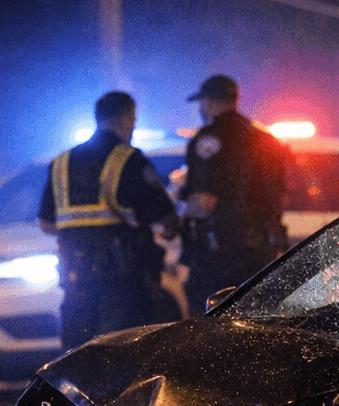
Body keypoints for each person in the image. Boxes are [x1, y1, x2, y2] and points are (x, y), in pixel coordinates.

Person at [39, 91, 180, 349]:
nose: (133, 127)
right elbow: (167, 219)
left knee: (77, 357)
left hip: (75, 279)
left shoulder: (60, 163)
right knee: (122, 355)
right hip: (123, 281)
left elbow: (47, 223)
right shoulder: (129, 159)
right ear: (126, 119)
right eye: (133, 121)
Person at [180, 74, 289, 312]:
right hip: (260, 250)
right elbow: (279, 197)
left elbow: (204, 202)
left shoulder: (208, 141)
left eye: (201, 103)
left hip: (219, 253)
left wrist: (181, 212)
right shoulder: (265, 139)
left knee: (212, 323)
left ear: (209, 102)